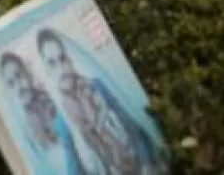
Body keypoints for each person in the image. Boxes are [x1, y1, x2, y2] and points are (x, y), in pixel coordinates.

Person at [37, 29, 164, 175]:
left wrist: (146, 164)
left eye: (62, 59)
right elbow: (73, 166)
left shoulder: (96, 86)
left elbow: (131, 125)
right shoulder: (61, 120)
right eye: (52, 63)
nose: (61, 68)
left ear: (69, 59)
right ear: (46, 69)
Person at [0, 52, 89, 174]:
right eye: (11, 83)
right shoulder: (22, 128)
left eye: (19, 76)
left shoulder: (51, 98)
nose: (18, 86)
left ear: (27, 73)